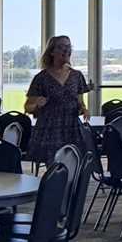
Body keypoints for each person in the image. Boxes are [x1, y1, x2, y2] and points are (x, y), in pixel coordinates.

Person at [24, 35, 90, 164]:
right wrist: (37, 104)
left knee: (75, 167)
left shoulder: (77, 76)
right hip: (50, 130)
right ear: (52, 52)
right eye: (61, 47)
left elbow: (80, 102)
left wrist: (84, 109)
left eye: (68, 47)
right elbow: (27, 107)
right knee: (56, 171)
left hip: (72, 128)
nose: (66, 50)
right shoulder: (41, 78)